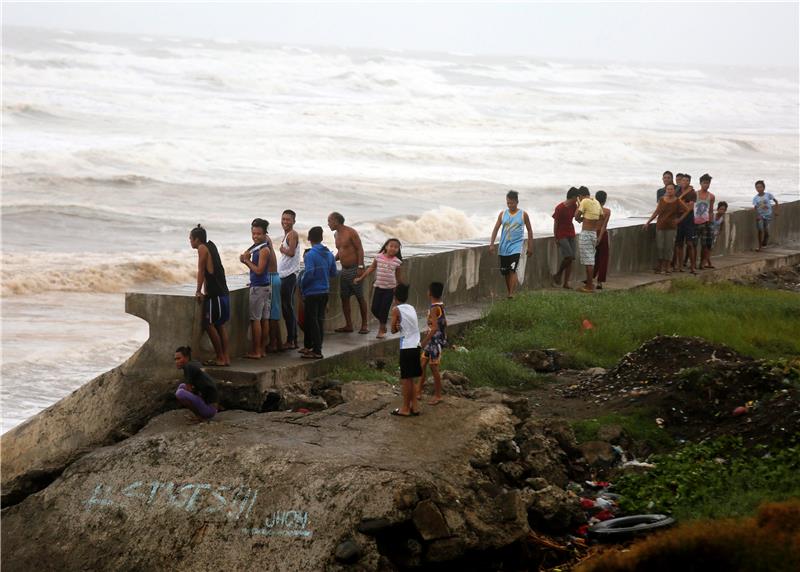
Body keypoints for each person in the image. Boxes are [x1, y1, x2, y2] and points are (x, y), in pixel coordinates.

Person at [189, 224, 230, 367]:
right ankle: (225, 357)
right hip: (223, 292)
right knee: (220, 325)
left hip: (215, 295)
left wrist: (198, 291)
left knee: (208, 324)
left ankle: (220, 357)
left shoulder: (202, 248)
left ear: (197, 239)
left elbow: (201, 271)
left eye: (191, 239)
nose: (190, 241)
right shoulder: (211, 246)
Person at [299, 226, 338, 359]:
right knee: (319, 321)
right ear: (321, 238)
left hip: (312, 292)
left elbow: (309, 273)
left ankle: (316, 351)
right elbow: (333, 272)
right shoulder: (329, 254)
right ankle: (315, 347)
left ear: (309, 239)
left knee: (312, 321)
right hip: (324, 291)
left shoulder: (310, 255)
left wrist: (302, 284)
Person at [328, 212, 369, 334]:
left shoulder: (351, 232)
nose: (328, 223)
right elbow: (341, 251)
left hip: (355, 268)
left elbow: (360, 249)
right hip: (344, 270)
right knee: (344, 297)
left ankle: (365, 325)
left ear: (336, 221)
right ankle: (349, 325)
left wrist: (361, 266)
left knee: (359, 297)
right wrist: (330, 261)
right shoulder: (336, 234)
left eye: (329, 221)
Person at [354, 238, 403, 339]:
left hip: (390, 289)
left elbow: (398, 278)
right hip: (378, 287)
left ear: (398, 250)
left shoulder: (397, 262)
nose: (393, 248)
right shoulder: (378, 257)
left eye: (396, 247)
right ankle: (383, 323)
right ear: (386, 246)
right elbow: (371, 268)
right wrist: (360, 278)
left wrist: (400, 290)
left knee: (384, 309)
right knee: (374, 309)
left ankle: (381, 330)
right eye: (391, 246)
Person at [489, 190, 534, 298]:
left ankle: (511, 293)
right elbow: (495, 229)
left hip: (516, 247)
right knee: (505, 272)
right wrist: (491, 244)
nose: (510, 205)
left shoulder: (523, 214)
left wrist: (530, 246)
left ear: (517, 202)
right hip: (503, 247)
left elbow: (530, 230)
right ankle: (510, 292)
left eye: (512, 203)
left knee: (513, 269)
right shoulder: (502, 214)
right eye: (508, 203)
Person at [240, 218, 272, 359]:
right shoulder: (260, 247)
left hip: (259, 288)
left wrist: (246, 261)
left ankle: (257, 350)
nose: (255, 236)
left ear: (265, 233)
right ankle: (262, 350)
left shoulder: (264, 250)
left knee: (256, 320)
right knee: (264, 319)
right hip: (264, 286)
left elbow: (259, 270)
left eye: (258, 234)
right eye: (254, 233)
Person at [390, 283, 421, 417]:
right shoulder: (411, 307)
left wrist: (396, 325)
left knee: (405, 379)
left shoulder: (396, 309)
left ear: (395, 296)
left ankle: (405, 408)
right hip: (416, 345)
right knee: (411, 378)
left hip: (407, 346)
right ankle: (415, 406)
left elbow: (392, 330)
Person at [644, 183, 689, 274]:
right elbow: (656, 212)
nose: (669, 191)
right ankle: (660, 266)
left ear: (674, 190)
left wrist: (679, 219)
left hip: (671, 227)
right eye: (668, 189)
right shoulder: (662, 200)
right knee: (660, 246)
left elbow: (687, 210)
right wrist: (648, 222)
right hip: (660, 226)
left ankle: (667, 267)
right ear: (666, 190)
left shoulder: (677, 201)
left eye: (671, 189)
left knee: (669, 247)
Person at [417, 281, 447, 406]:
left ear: (430, 293)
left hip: (434, 342)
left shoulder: (434, 308)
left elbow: (435, 328)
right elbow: (443, 323)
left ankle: (438, 395)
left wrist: (424, 341)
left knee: (434, 368)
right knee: (422, 363)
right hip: (434, 340)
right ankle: (418, 390)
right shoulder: (440, 306)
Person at [174, 346, 219, 420]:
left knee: (180, 393)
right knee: (182, 386)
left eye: (179, 358)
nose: (176, 362)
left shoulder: (188, 367)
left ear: (186, 358)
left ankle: (200, 416)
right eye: (175, 359)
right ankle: (200, 413)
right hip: (210, 405)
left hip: (209, 410)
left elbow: (189, 390)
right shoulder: (194, 363)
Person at [574, 186, 604, 293]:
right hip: (593, 234)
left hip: (586, 234)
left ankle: (589, 286)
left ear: (581, 195)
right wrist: (589, 220)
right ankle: (590, 284)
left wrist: (578, 208)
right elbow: (602, 217)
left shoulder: (584, 201)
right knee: (591, 259)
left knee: (588, 261)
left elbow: (576, 216)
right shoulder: (596, 202)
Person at [278, 209, 300, 350]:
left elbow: (291, 253)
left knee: (288, 309)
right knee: (288, 308)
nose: (285, 221)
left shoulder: (292, 234)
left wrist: (281, 250)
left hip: (289, 276)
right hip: (285, 275)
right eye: (283, 219)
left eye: (288, 219)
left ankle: (291, 340)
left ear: (293, 221)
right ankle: (293, 339)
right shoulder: (287, 234)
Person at [551, 187, 579, 289]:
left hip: (571, 232)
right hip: (561, 233)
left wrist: (580, 208)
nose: (578, 199)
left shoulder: (575, 206)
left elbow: (578, 219)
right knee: (569, 256)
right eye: (577, 197)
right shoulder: (560, 208)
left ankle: (565, 282)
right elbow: (556, 222)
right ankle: (558, 275)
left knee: (571, 258)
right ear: (573, 196)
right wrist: (555, 237)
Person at [673, 174, 697, 274]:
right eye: (683, 180)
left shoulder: (692, 193)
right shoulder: (677, 192)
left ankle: (692, 266)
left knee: (690, 244)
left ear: (689, 182)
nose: (684, 182)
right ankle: (680, 266)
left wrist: (680, 218)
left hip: (688, 221)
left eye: (687, 181)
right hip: (679, 220)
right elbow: (675, 205)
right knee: (679, 244)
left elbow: (689, 208)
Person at [694, 174, 716, 270]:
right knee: (694, 244)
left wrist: (711, 223)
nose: (706, 185)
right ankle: (693, 263)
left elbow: (710, 211)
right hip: (695, 222)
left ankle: (702, 263)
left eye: (708, 183)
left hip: (706, 223)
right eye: (704, 183)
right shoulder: (695, 194)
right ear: (700, 183)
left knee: (705, 245)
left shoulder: (711, 196)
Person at [753, 180, 779, 251]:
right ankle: (759, 246)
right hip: (760, 216)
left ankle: (765, 242)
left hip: (768, 216)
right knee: (760, 230)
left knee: (766, 231)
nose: (759, 189)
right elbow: (755, 208)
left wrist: (776, 211)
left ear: (764, 187)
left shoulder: (768, 195)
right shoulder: (755, 198)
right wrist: (757, 215)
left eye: (760, 187)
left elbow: (776, 201)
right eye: (757, 187)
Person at [593, 191, 611, 290]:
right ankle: (599, 282)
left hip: (592, 232)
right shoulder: (607, 211)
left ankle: (590, 277)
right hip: (602, 234)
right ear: (605, 200)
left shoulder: (592, 210)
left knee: (592, 257)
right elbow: (604, 226)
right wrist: (600, 237)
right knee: (603, 258)